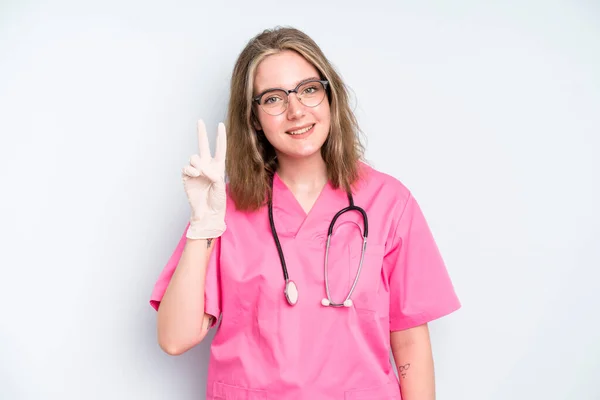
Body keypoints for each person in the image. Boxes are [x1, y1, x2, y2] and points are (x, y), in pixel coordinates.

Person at [150, 26, 460, 400]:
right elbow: (174, 338)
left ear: (330, 97)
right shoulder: (223, 209)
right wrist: (201, 226)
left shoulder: (388, 202)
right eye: (274, 98)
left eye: (309, 90)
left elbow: (409, 340)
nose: (296, 111)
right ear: (253, 117)